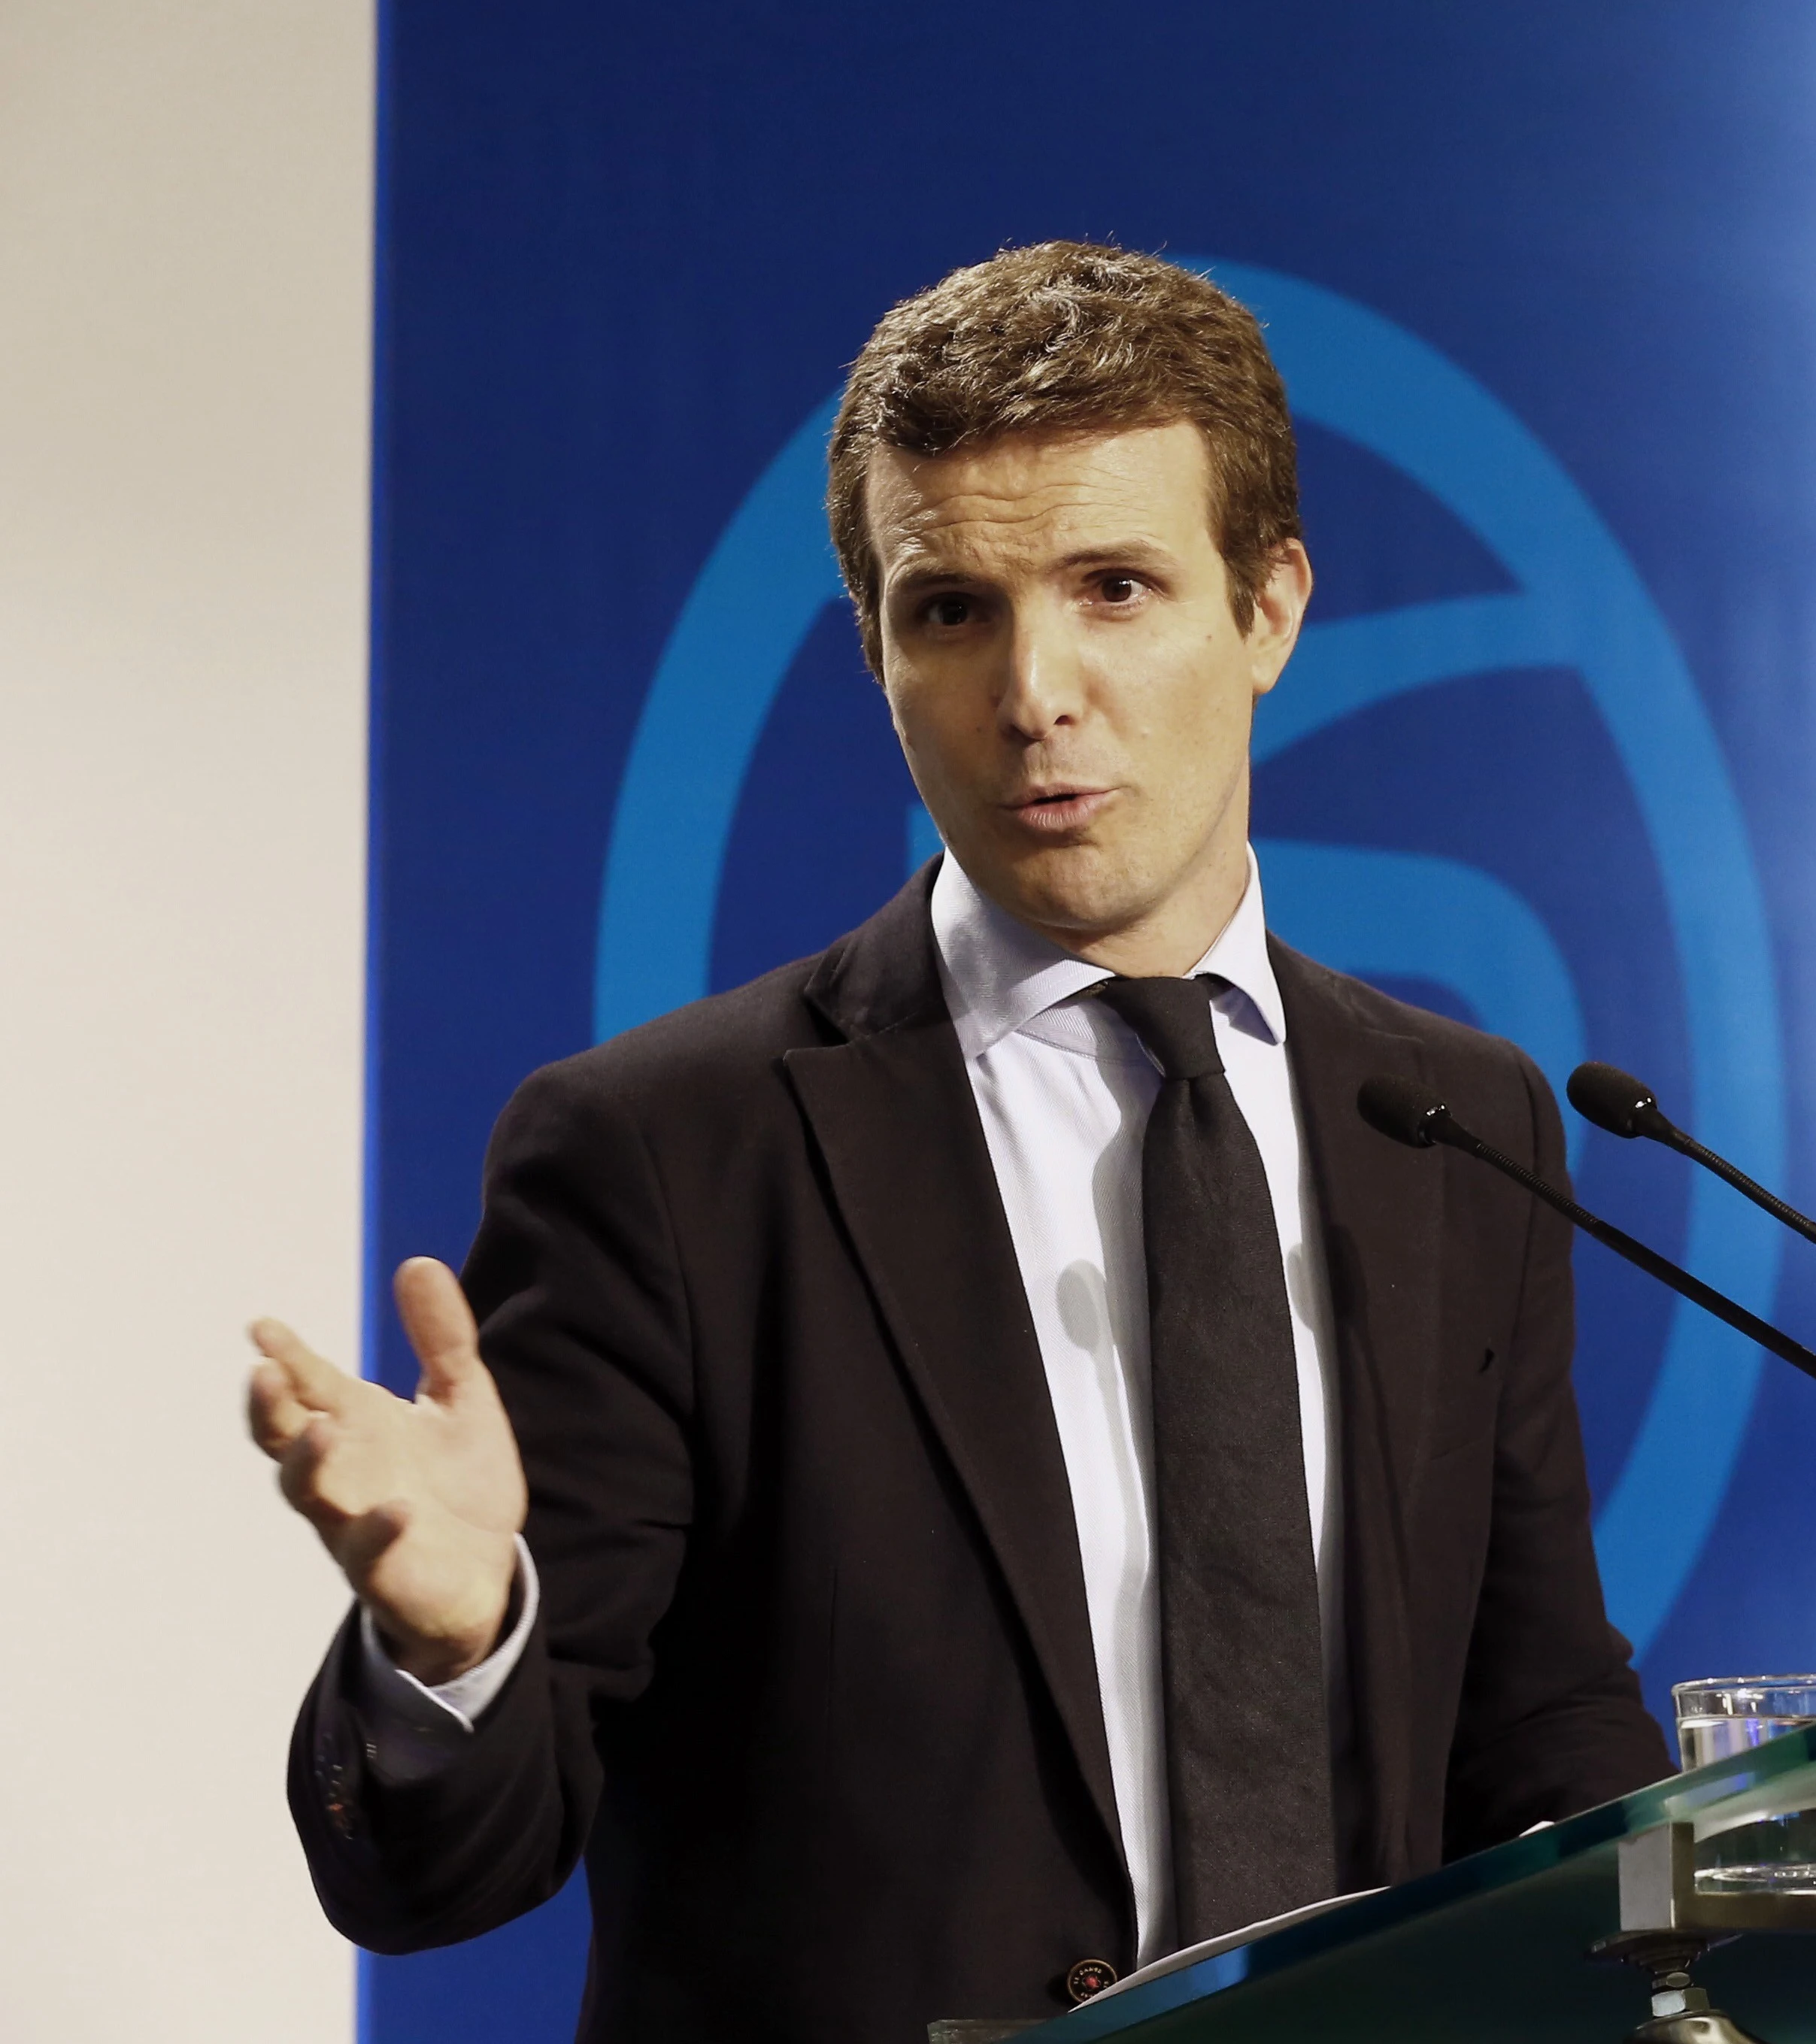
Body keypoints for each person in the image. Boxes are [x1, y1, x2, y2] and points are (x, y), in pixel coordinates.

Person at [241, 242, 1673, 2042]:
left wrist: (1722, 1912)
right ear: (878, 649)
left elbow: (1532, 1709)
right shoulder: (669, 1154)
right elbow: (450, 1867)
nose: (1034, 692)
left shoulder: (1454, 1119)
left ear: (1272, 609)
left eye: (1116, 588)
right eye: (953, 610)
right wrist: (455, 1646)